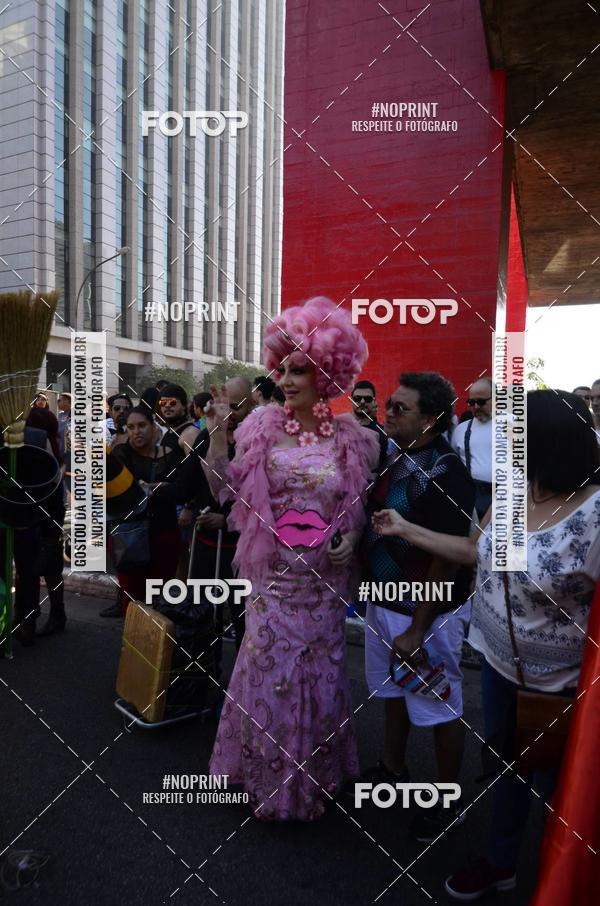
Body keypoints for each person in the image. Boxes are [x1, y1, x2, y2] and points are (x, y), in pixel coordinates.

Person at [374, 389, 600, 901]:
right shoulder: (513, 490)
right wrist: (406, 528)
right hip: (497, 664)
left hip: (563, 686)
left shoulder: (595, 513)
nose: (505, 441)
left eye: (516, 435)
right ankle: (501, 863)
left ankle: (567, 878)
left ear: (549, 442)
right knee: (506, 770)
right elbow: (473, 552)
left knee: (566, 790)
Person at [202, 296, 380, 821]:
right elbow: (223, 492)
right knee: (267, 673)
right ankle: (265, 780)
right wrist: (216, 432)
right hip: (273, 580)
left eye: (300, 369)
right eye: (282, 368)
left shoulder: (354, 438)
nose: (287, 378)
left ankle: (314, 780)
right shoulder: (258, 427)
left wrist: (352, 538)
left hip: (323, 582)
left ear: (327, 372)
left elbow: (355, 508)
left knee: (320, 677)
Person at [359, 372, 475, 841]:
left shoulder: (448, 472)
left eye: (399, 408)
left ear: (430, 418)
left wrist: (417, 627)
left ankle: (448, 802)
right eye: (388, 405)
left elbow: (447, 558)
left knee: (439, 706)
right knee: (393, 692)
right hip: (385, 604)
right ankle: (393, 769)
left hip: (424, 614)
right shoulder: (397, 457)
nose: (387, 413)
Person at [109, 406, 182, 615]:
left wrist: (150, 488)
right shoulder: (121, 454)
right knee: (132, 601)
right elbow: (119, 493)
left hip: (164, 534)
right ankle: (133, 646)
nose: (136, 431)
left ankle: (158, 646)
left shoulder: (170, 455)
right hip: (128, 536)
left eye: (141, 425)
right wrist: (157, 487)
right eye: (130, 427)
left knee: (159, 600)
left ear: (153, 426)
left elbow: (182, 491)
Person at [451, 377, 493, 519]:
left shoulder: (515, 426)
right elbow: (453, 464)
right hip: (471, 499)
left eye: (481, 402)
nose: (475, 407)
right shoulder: (461, 430)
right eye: (471, 402)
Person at [351, 380, 388, 465]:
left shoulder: (383, 433)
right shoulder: (338, 427)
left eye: (367, 399)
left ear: (374, 402)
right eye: (357, 398)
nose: (362, 401)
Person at [158, 383, 197, 453]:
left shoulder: (190, 433)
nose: (167, 406)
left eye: (172, 402)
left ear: (184, 405)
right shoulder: (169, 432)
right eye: (163, 403)